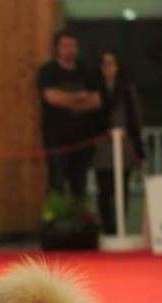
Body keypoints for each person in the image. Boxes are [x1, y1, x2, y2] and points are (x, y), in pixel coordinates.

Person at [37, 30, 102, 199]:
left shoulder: (86, 70)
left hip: (83, 139)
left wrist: (70, 101)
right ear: (57, 48)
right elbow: (52, 98)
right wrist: (79, 97)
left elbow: (96, 101)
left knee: (80, 183)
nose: (69, 50)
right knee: (56, 181)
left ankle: (80, 219)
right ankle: (54, 219)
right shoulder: (48, 70)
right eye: (65, 46)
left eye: (72, 46)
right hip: (56, 139)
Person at [92, 50, 146, 234]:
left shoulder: (126, 89)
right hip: (101, 147)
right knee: (104, 190)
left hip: (124, 147)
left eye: (111, 64)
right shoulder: (94, 89)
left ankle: (121, 227)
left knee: (123, 189)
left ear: (118, 66)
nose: (108, 68)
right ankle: (107, 228)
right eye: (104, 64)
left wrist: (139, 151)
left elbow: (135, 120)